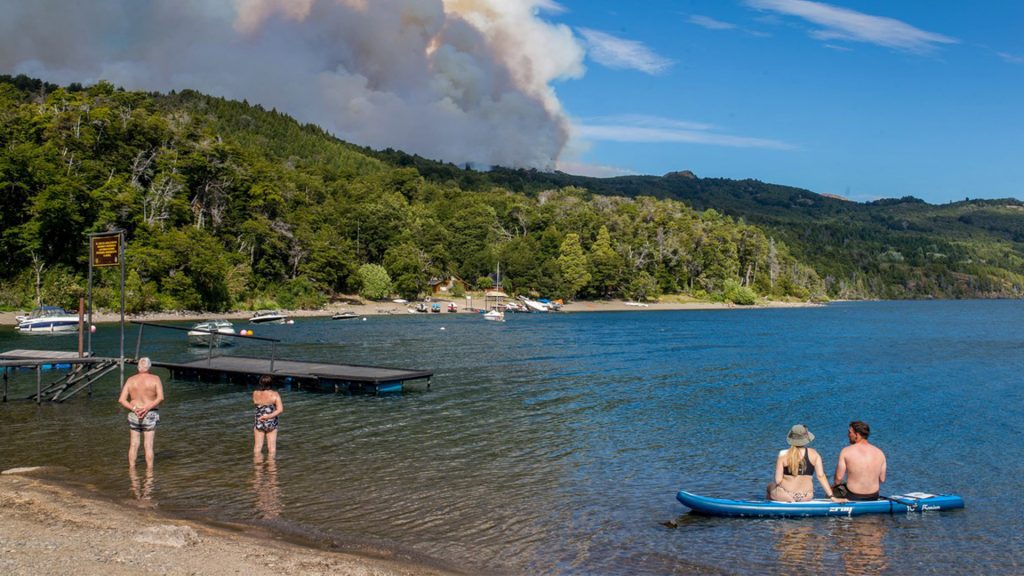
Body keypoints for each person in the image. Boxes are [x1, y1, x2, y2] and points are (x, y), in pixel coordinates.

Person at [767, 424, 839, 502]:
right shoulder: (814, 454)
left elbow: (778, 481)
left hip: (787, 495)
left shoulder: (783, 456)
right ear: (806, 439)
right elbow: (821, 476)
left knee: (770, 487)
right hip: (806, 496)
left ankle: (773, 507)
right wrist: (831, 496)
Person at [117, 357, 164, 470]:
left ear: (138, 367)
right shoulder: (155, 379)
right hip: (150, 413)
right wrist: (147, 407)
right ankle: (149, 473)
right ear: (149, 366)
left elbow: (122, 400)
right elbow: (161, 397)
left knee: (133, 444)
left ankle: (132, 470)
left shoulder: (130, 380)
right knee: (148, 446)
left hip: (134, 413)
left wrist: (134, 408)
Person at [833, 421, 887, 501]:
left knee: (832, 490)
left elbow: (838, 478)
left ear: (857, 435)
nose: (848, 435)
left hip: (853, 496)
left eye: (849, 432)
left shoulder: (846, 451)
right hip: (873, 496)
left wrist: (833, 488)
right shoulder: (880, 453)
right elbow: (882, 479)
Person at [252, 375, 283, 456]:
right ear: (271, 383)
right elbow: (280, 410)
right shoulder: (275, 394)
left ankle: (257, 467)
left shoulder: (255, 393)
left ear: (260, 383)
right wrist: (269, 416)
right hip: (271, 421)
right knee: (271, 448)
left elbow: (256, 404)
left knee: (257, 447)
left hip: (259, 420)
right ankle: (271, 467)